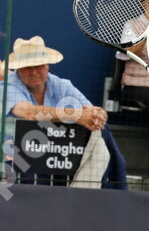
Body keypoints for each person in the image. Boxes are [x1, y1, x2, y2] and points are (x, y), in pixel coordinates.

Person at [3, 36, 114, 186]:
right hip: (15, 160)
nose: (34, 72)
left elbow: (95, 111)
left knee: (102, 129)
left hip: (58, 158)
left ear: (48, 65)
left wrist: (97, 116)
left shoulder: (60, 84)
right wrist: (75, 115)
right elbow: (29, 112)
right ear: (18, 69)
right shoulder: (7, 87)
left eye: (39, 65)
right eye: (27, 67)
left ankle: (112, 189)